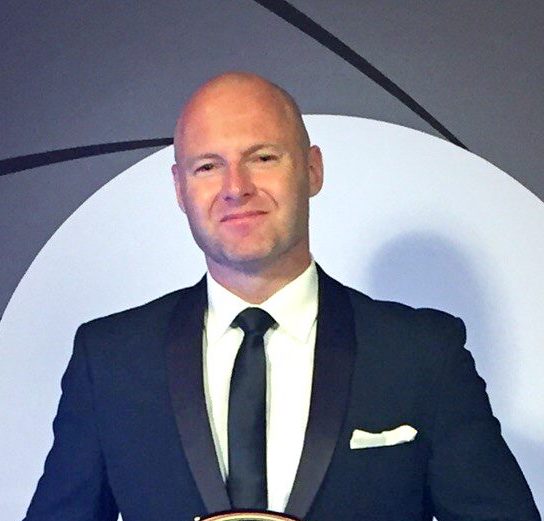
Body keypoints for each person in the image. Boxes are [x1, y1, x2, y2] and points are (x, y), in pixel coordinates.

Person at [24, 72, 540, 521]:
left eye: (263, 157)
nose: (236, 187)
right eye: (208, 166)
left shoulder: (421, 353)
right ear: (179, 189)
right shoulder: (109, 359)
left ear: (312, 170)